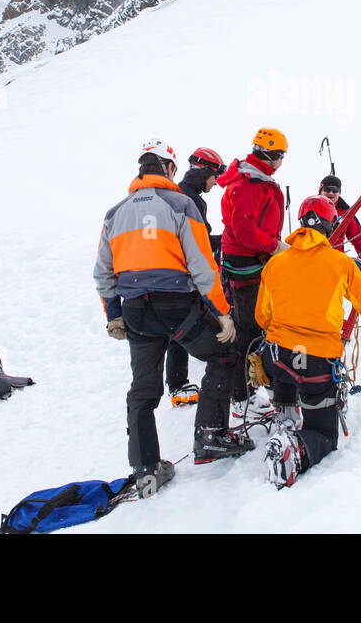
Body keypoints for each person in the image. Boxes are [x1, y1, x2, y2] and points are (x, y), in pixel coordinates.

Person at [94, 139, 254, 494]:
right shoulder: (181, 205)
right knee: (224, 352)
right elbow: (203, 266)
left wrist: (114, 314)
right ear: (169, 169)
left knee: (143, 389)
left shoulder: (114, 213)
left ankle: (145, 467)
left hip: (135, 310)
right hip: (175, 305)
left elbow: (103, 273)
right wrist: (223, 313)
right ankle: (210, 435)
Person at [254, 195, 361, 487]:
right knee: (324, 434)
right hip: (316, 364)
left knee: (286, 367)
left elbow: (262, 317)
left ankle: (284, 410)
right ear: (330, 225)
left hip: (278, 358)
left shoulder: (276, 263)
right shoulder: (340, 263)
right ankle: (295, 450)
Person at [217, 128, 288, 422]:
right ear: (273, 155)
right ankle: (241, 396)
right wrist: (274, 246)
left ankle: (247, 391)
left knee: (254, 327)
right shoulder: (248, 183)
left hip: (250, 260)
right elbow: (245, 229)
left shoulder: (253, 179)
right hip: (247, 264)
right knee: (249, 329)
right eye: (281, 156)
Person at [165, 147, 228, 407]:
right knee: (182, 327)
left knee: (176, 328)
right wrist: (227, 240)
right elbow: (197, 244)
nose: (215, 183)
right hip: (185, 274)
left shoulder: (181, 194)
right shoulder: (188, 199)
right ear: (203, 172)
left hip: (175, 272)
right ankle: (178, 385)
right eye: (214, 177)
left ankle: (177, 383)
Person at [318, 175, 361, 262]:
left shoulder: (346, 213)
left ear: (339, 193)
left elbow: (359, 239)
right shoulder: (311, 207)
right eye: (327, 190)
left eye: (335, 190)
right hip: (314, 259)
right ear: (320, 191)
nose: (331, 193)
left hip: (335, 262)